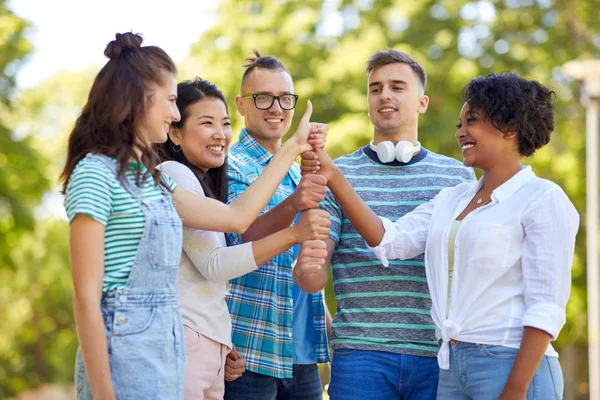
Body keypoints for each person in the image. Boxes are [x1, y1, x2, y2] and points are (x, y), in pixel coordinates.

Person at [60, 33, 325, 400]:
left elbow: (237, 217)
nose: (173, 113)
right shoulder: (95, 174)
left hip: (170, 350)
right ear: (138, 100)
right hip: (125, 352)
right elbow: (87, 299)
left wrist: (294, 146)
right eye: (170, 101)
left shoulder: (155, 183)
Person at [301, 72, 579, 399]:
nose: (460, 132)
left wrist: (515, 390)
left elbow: (546, 306)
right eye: (460, 124)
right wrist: (331, 173)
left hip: (512, 366)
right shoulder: (452, 198)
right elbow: (389, 240)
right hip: (451, 366)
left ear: (510, 127)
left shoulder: (542, 198)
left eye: (471, 121)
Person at [294, 49, 475, 400]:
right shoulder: (336, 173)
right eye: (375, 88)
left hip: (437, 356)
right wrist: (307, 268)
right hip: (360, 355)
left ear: (422, 102)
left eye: (397, 86)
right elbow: (313, 272)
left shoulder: (458, 177)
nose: (385, 95)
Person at [156, 77, 331, 400]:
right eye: (206, 123)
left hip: (216, 346)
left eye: (223, 123)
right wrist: (294, 230)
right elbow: (223, 253)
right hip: (200, 344)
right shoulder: (173, 174)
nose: (221, 133)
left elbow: (206, 279)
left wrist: (221, 339)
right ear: (175, 132)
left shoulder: (204, 182)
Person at [223, 50, 330, 400]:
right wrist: (295, 201)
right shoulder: (228, 166)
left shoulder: (299, 171)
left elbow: (305, 255)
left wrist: (330, 332)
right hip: (248, 348)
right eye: (263, 97)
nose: (276, 108)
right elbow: (241, 236)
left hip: (301, 354)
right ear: (241, 104)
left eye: (285, 98)